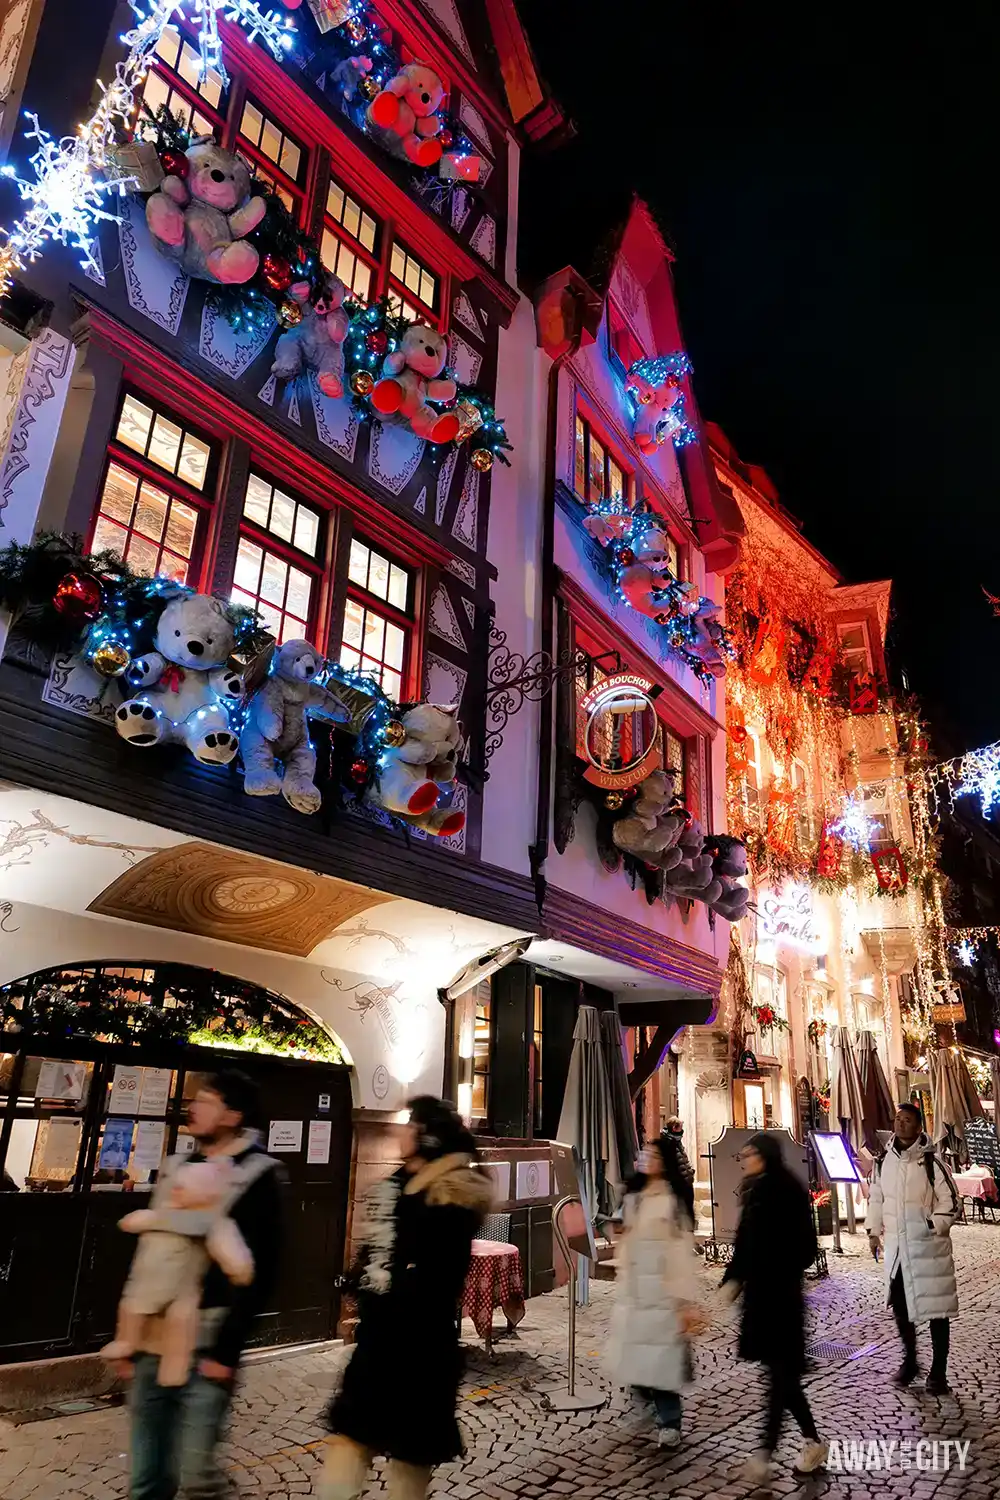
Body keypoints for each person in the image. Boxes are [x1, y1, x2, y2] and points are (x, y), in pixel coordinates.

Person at [115, 1069, 284, 1500]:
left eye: (206, 1101)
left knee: (196, 1474)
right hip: (152, 1335)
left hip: (208, 1336)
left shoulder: (259, 1174)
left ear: (233, 1115)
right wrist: (126, 1339)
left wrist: (228, 1350)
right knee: (146, 1477)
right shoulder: (177, 1166)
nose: (193, 1107)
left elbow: (260, 1268)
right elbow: (151, 1251)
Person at [322, 1095, 494, 1500]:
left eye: (408, 1124)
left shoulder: (452, 1198)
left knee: (409, 1461)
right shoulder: (395, 1186)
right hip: (379, 1343)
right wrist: (356, 1287)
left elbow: (436, 1276)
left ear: (427, 1136)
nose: (400, 1132)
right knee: (351, 1440)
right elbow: (377, 1252)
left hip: (422, 1349)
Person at [721, 1133, 826, 1481]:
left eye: (748, 1153)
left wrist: (771, 1267)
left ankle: (765, 1453)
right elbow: (744, 1242)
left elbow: (806, 1247)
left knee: (780, 1378)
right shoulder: (755, 1188)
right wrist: (732, 1280)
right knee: (783, 1378)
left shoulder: (787, 1189)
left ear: (763, 1154)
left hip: (780, 1298)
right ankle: (811, 1441)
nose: (744, 1159)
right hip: (762, 1299)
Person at [607, 1138, 704, 1447]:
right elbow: (628, 1242)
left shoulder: (671, 1202)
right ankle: (647, 1405)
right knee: (636, 1357)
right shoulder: (634, 1197)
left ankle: (670, 1422)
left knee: (661, 1361)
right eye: (643, 1153)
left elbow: (679, 1252)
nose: (645, 1158)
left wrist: (683, 1300)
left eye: (652, 1154)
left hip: (662, 1293)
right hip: (635, 1293)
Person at [865, 1101, 959, 1395]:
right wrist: (872, 1231)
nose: (900, 1123)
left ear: (919, 1127)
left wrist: (932, 1226)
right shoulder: (883, 1162)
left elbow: (951, 1203)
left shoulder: (932, 1162)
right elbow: (877, 1198)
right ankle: (910, 1361)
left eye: (907, 1120)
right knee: (902, 1308)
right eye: (897, 1119)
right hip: (897, 1250)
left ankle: (938, 1373)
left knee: (937, 1311)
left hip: (929, 1249)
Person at [660, 1116, 696, 1229]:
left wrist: (689, 1172)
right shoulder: (668, 1143)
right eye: (680, 1128)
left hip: (685, 1180)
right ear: (674, 1128)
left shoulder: (677, 1142)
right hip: (678, 1184)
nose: (682, 1130)